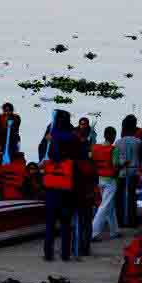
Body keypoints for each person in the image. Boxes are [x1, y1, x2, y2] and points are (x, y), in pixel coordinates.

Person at [41, 111, 83, 261]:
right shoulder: (73, 137)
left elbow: (44, 154)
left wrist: (49, 140)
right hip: (67, 186)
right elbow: (80, 156)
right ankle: (65, 254)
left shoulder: (51, 135)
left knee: (50, 222)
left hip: (52, 185)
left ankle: (48, 253)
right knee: (66, 223)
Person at [90, 126, 121, 241]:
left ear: (104, 135)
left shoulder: (96, 148)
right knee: (104, 206)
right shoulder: (114, 149)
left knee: (109, 206)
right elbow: (116, 166)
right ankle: (92, 233)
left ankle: (114, 231)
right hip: (110, 180)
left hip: (99, 179)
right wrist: (123, 165)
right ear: (113, 136)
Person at [114, 115, 142, 227]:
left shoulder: (118, 142)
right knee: (132, 197)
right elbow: (140, 157)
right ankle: (131, 220)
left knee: (120, 197)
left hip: (121, 172)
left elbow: (116, 159)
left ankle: (120, 220)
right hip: (134, 171)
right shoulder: (138, 142)